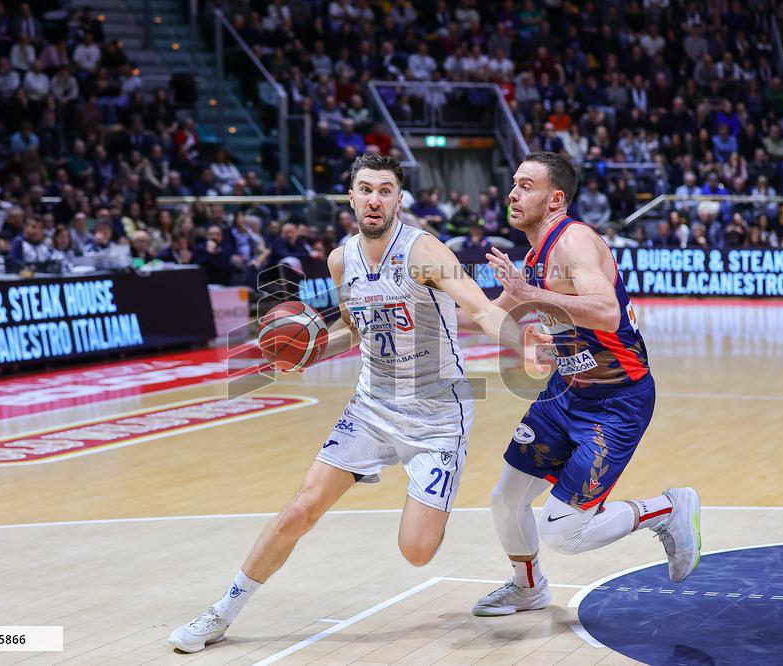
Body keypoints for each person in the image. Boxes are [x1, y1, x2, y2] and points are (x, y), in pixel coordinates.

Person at [168, 153, 521, 653]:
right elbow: (356, 330)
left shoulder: (424, 251)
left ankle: (434, 503)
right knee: (300, 510)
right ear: (351, 197)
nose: (374, 199)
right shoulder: (341, 259)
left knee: (417, 551)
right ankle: (222, 611)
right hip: (372, 405)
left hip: (438, 413)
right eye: (365, 189)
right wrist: (307, 354)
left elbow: (482, 308)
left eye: (385, 190)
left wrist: (523, 342)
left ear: (399, 199)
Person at [465, 152, 700, 617]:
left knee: (563, 531)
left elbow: (606, 311)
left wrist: (530, 294)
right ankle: (527, 588)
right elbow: (488, 312)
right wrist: (413, 316)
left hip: (617, 400)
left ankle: (667, 510)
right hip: (566, 391)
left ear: (555, 199)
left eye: (525, 185)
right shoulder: (533, 256)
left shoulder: (575, 243)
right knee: (505, 500)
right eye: (513, 183)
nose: (512, 193)